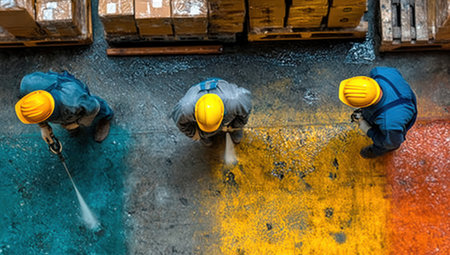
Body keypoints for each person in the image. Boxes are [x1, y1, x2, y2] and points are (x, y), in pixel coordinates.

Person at [15, 71, 114, 147]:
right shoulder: (28, 86)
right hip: (59, 106)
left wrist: (78, 123)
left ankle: (106, 117)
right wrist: (43, 126)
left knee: (96, 106)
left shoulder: (73, 101)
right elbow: (35, 110)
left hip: (75, 93)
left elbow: (94, 107)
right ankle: (71, 126)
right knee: (67, 122)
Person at [339, 67, 417, 158]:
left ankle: (377, 151)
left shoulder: (389, 123)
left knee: (387, 144)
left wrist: (368, 130)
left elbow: (393, 143)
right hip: (402, 97)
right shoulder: (380, 72)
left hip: (399, 115)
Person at [171, 78, 252, 146]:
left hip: (222, 90)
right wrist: (196, 134)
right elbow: (181, 125)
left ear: (223, 114)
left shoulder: (236, 101)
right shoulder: (184, 110)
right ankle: (204, 136)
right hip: (198, 94)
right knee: (200, 136)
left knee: (237, 127)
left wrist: (236, 125)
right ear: (195, 113)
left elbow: (245, 113)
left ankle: (235, 130)